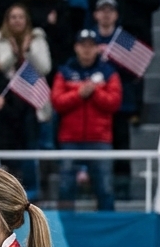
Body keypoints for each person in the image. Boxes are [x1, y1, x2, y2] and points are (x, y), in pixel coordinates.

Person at [52, 30, 121, 211]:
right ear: (76, 47)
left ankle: (108, 228)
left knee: (105, 187)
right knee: (65, 187)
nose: (87, 49)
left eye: (91, 45)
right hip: (70, 140)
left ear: (98, 48)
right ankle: (62, 231)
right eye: (83, 45)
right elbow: (57, 101)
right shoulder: (65, 72)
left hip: (100, 139)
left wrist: (95, 92)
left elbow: (114, 102)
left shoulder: (108, 72)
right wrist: (79, 94)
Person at [90, 0, 140, 151]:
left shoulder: (124, 39)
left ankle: (123, 173)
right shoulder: (87, 38)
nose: (106, 14)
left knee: (122, 140)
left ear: (116, 15)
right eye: (102, 10)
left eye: (110, 10)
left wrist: (116, 56)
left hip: (121, 100)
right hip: (93, 99)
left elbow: (136, 70)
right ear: (95, 14)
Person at [0, 4, 52, 83]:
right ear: (7, 21)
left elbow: (45, 69)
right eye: (13, 17)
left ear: (26, 20)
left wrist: (28, 51)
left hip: (32, 87)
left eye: (21, 17)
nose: (17, 20)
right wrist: (13, 55)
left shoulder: (37, 39)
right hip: (5, 87)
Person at [25, 0, 73, 68]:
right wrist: (47, 23)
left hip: (56, 52)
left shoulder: (61, 4)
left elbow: (66, 33)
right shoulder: (25, 5)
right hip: (33, 51)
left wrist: (53, 25)